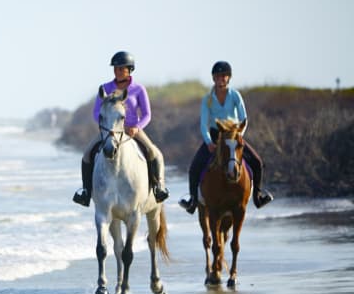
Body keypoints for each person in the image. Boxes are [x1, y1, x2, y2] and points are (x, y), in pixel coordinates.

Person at [73, 51, 170, 207]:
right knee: (87, 154)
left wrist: (137, 128)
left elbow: (147, 114)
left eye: (121, 68)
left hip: (132, 129)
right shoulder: (105, 88)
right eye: (115, 68)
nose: (117, 71)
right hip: (109, 131)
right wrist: (106, 126)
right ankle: (86, 192)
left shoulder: (139, 89)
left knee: (154, 152)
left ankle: (158, 188)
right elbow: (96, 112)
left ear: (129, 70)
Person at [178, 61, 273, 213]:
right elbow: (204, 124)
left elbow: (244, 119)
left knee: (257, 162)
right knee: (194, 167)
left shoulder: (235, 95)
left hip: (234, 135)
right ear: (213, 78)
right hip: (216, 136)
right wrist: (209, 142)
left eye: (223, 76)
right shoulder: (207, 99)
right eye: (217, 76)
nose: (220, 79)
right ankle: (193, 201)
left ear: (229, 78)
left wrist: (238, 136)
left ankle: (258, 196)